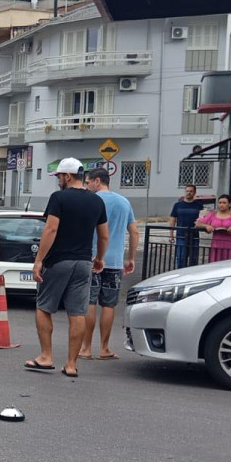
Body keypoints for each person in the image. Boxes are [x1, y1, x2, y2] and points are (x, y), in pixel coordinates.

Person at [26, 158, 108, 378]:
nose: (58, 181)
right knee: (77, 312)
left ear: (68, 176)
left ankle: (46, 356)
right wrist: (99, 258)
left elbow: (51, 229)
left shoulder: (59, 198)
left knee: (44, 307)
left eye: (59, 177)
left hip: (59, 261)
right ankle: (71, 364)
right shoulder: (96, 201)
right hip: (84, 263)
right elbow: (103, 235)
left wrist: (39, 260)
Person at [80, 168, 137, 361]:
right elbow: (134, 232)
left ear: (97, 181)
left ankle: (86, 348)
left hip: (93, 258)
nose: (86, 187)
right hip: (114, 262)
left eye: (87, 183)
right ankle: (104, 348)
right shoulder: (124, 202)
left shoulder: (91, 201)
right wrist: (130, 258)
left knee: (90, 302)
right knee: (109, 305)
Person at [194, 194, 231, 262]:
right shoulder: (212, 214)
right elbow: (197, 223)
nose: (221, 205)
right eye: (220, 203)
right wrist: (206, 226)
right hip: (217, 243)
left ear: (229, 204)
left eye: (224, 203)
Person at [169, 184, 206, 268]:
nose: (189, 193)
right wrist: (171, 235)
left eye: (191, 191)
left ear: (195, 193)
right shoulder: (177, 205)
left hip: (194, 236)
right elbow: (172, 220)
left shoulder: (199, 205)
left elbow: (203, 219)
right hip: (181, 235)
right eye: (187, 191)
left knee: (194, 258)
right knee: (181, 258)